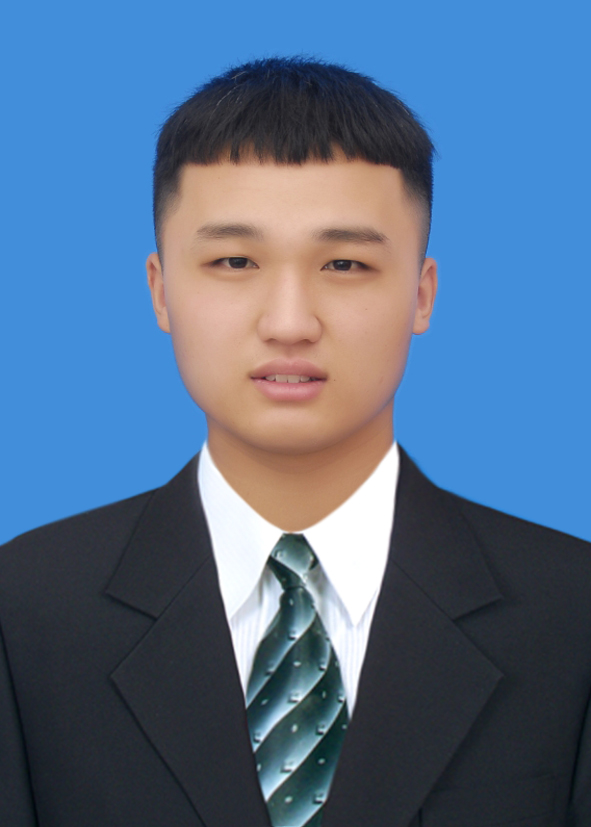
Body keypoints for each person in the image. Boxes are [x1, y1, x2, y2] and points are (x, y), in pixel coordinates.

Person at [1, 57, 590, 827]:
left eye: (344, 263)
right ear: (160, 289)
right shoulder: (26, 609)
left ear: (420, 295)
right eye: (233, 261)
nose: (288, 321)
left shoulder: (570, 610)